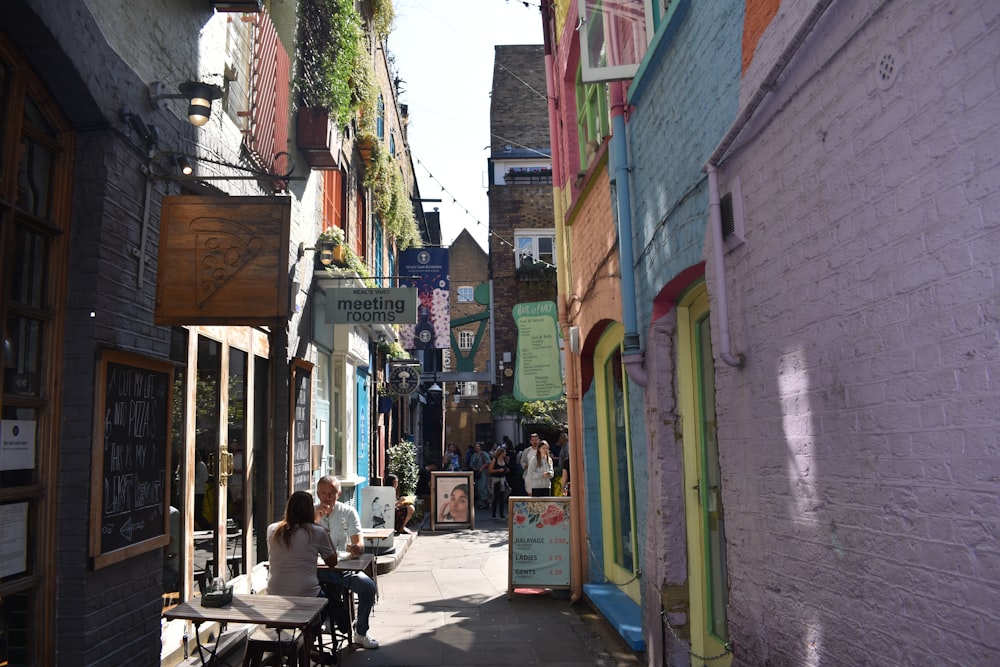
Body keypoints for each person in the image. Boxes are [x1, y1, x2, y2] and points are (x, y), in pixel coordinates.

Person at [265, 491, 339, 664]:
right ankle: (308, 646)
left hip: (274, 594)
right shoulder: (317, 532)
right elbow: (332, 562)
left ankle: (304, 647)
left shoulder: (272, 529)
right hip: (307, 595)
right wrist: (325, 532)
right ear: (309, 509)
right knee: (327, 603)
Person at [314, 476, 380, 650]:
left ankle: (361, 633)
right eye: (324, 494)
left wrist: (356, 548)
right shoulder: (310, 512)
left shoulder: (348, 512)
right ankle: (313, 633)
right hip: (315, 572)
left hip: (342, 569)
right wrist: (316, 520)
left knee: (368, 587)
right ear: (318, 493)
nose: (328, 498)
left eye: (332, 494)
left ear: (339, 493)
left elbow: (359, 542)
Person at [488, 448, 511, 519]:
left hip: (502, 479)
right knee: (495, 497)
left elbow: (505, 468)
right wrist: (498, 470)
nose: (505, 454)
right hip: (496, 480)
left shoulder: (504, 460)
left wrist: (506, 470)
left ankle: (501, 514)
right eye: (504, 452)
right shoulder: (494, 460)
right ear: (501, 453)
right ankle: (494, 513)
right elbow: (490, 470)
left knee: (502, 497)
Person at [469, 443, 491, 509]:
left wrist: (482, 467)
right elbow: (471, 464)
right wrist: (474, 468)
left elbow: (488, 462)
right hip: (477, 473)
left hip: (483, 472)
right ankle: (481, 503)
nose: (477, 448)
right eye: (476, 446)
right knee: (478, 488)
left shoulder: (484, 454)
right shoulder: (473, 455)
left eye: (478, 446)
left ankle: (485, 500)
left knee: (482, 487)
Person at [194, 451, 211, 530]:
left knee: (197, 514)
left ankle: (208, 527)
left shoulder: (200, 465)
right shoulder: (183, 465)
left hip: (198, 492)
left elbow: (204, 478)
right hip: (187, 492)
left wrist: (191, 482)